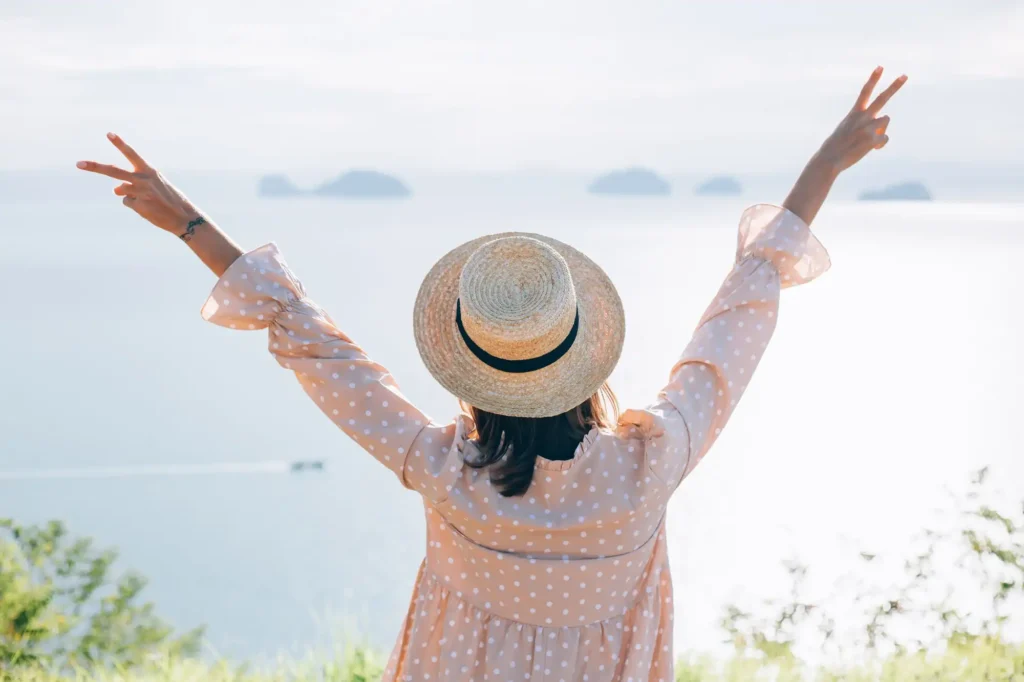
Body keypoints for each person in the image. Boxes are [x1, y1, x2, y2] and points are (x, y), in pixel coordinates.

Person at [78, 66, 906, 682]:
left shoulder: (446, 472)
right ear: (586, 353)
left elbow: (317, 347)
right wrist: (825, 166)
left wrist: (188, 223)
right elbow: (734, 322)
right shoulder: (649, 467)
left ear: (471, 368)